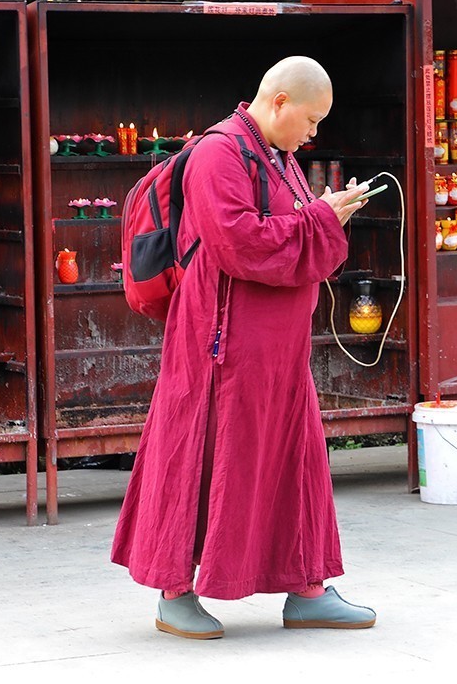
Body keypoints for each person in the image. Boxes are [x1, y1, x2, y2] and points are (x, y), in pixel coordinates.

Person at [110, 56, 377, 640]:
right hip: (220, 342)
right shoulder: (218, 153)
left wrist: (327, 215)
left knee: (291, 456)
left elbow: (295, 233)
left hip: (278, 349)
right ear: (279, 101)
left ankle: (306, 587)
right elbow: (239, 243)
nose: (314, 133)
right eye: (311, 119)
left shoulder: (279, 158)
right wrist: (318, 219)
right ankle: (173, 593)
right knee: (201, 453)